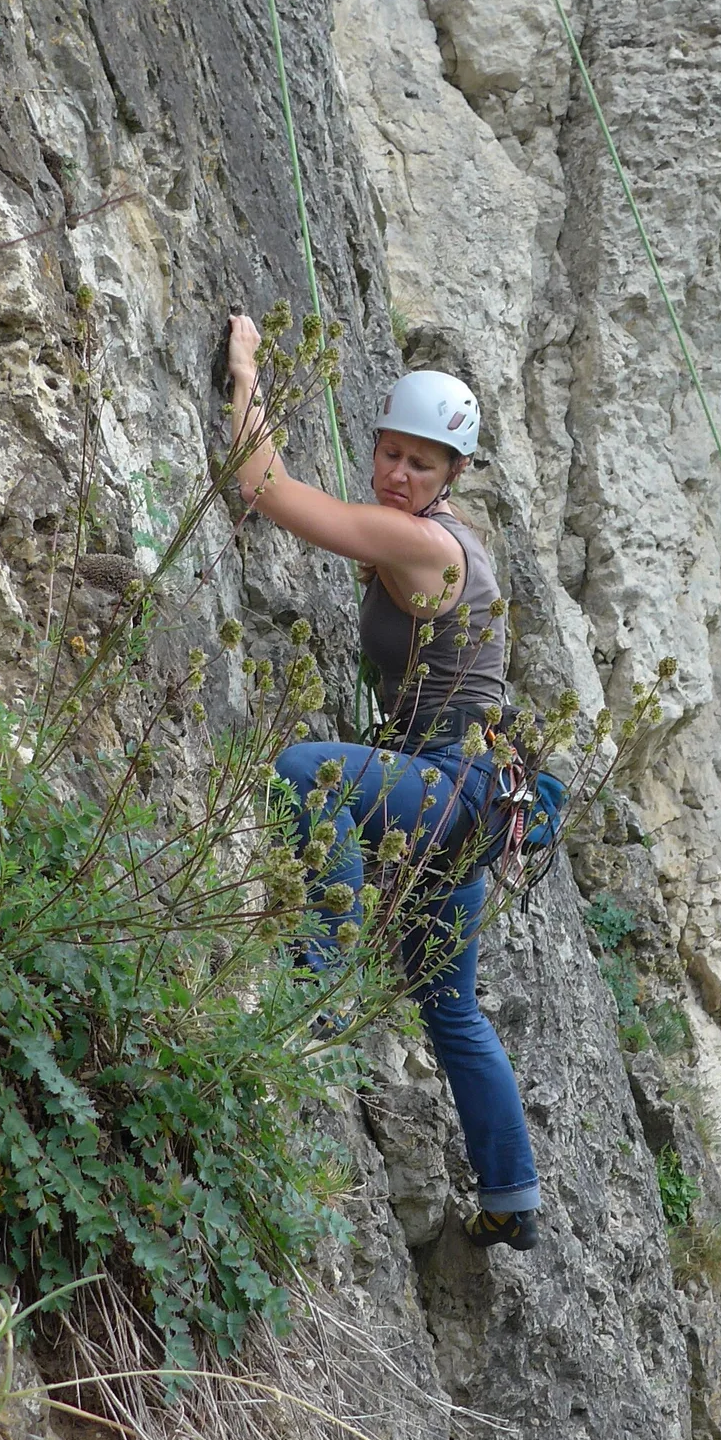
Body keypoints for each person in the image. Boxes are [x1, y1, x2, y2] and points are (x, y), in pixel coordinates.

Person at [223, 311, 542, 1254]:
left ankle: (313, 998)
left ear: (454, 476)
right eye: (389, 454)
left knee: (302, 776)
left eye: (421, 463)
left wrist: (245, 369)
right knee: (450, 1005)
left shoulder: (429, 546)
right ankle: (511, 1195)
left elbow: (263, 487)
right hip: (470, 795)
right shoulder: (436, 535)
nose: (398, 474)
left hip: (449, 782)